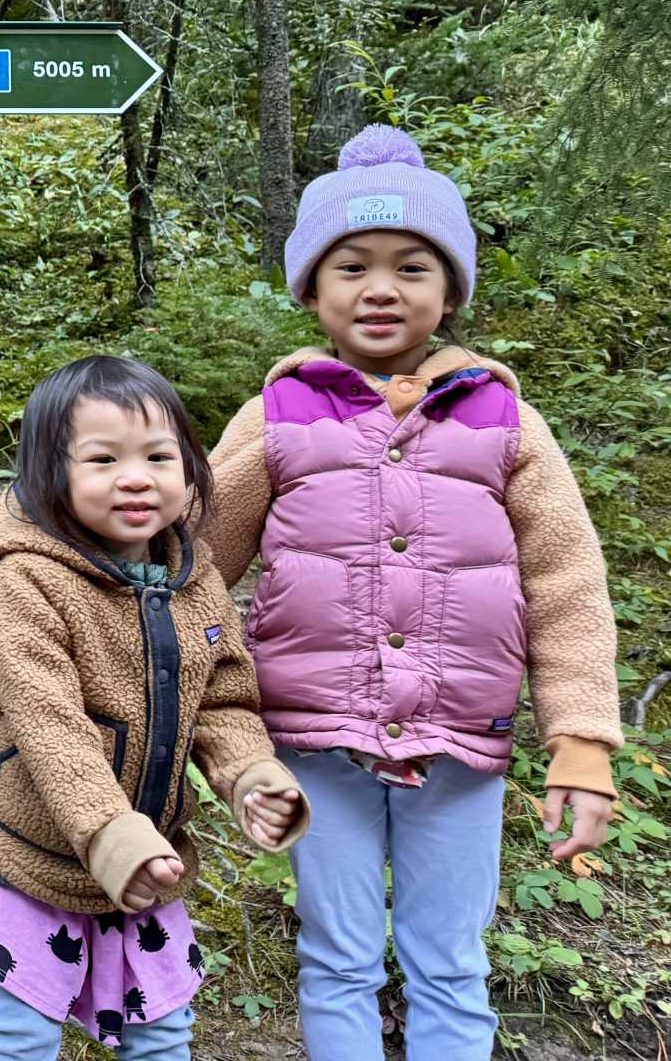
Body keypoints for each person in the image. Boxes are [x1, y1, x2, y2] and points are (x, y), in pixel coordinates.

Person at [207, 124, 624, 1060]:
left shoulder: (506, 420)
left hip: (462, 749)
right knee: (338, 959)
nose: (382, 288)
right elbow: (190, 565)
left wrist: (583, 743)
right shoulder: (275, 416)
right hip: (316, 746)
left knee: (450, 962)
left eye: (412, 267)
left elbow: (567, 579)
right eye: (351, 265)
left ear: (452, 289)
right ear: (311, 288)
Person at [0, 355, 309, 1060]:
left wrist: (251, 778)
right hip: (33, 853)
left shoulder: (191, 579)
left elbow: (225, 697)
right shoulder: (28, 580)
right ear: (51, 476)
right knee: (18, 1036)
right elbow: (49, 724)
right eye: (103, 458)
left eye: (159, 456)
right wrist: (110, 832)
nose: (136, 477)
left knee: (162, 1032)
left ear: (192, 469)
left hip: (149, 865)